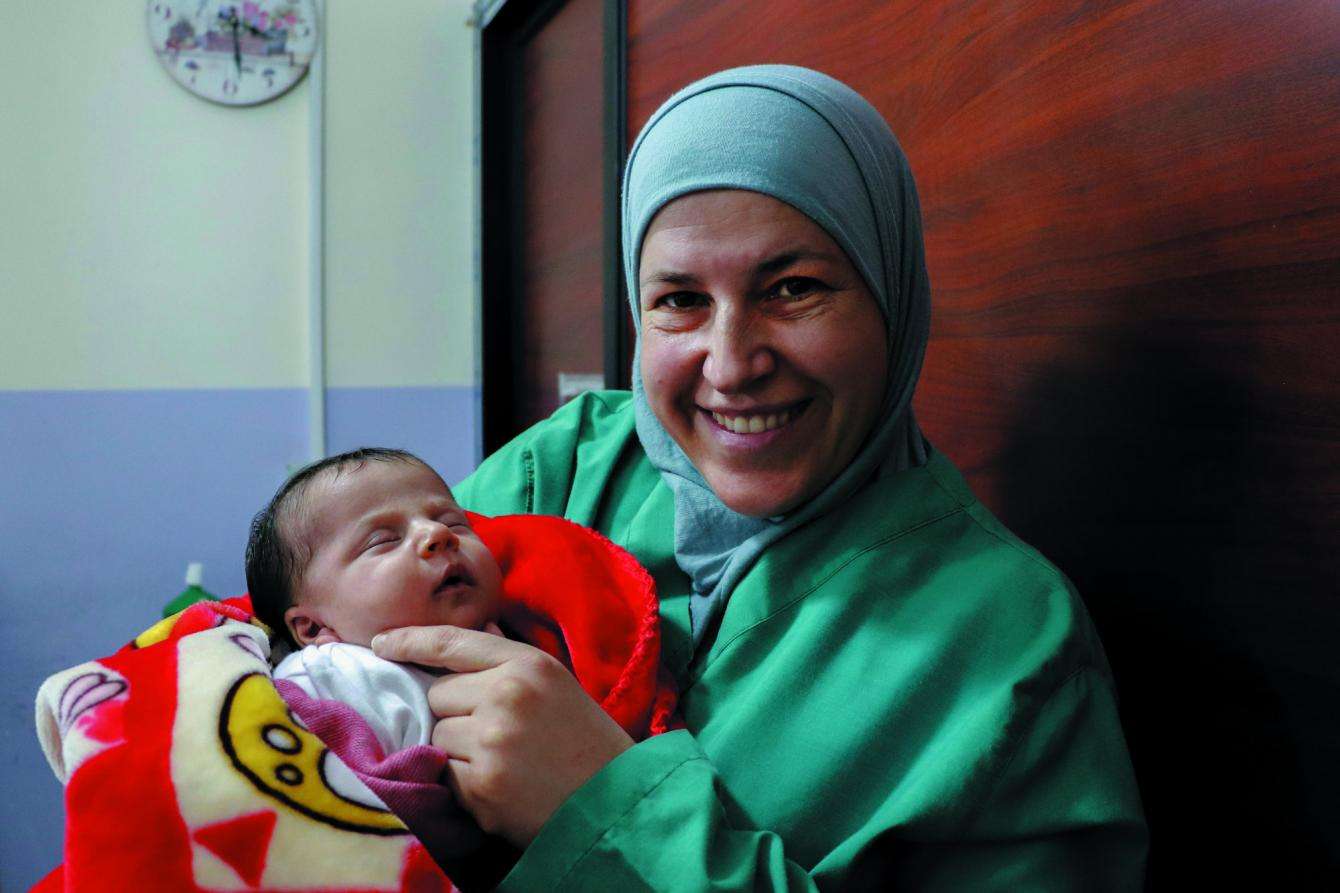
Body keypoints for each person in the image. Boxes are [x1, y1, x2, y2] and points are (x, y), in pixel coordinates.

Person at [370, 64, 1148, 889]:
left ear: (892, 296)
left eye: (793, 288)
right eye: (680, 299)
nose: (733, 365)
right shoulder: (561, 471)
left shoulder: (1008, 649)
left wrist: (605, 805)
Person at [246, 447, 507, 754]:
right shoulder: (327, 679)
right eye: (383, 540)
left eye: (454, 523)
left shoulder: (529, 639)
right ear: (314, 628)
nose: (438, 533)